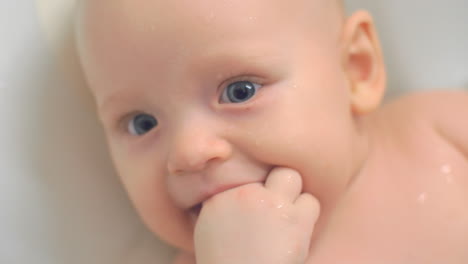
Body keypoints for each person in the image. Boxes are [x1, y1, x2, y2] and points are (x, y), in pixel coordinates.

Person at [74, 0, 468, 263]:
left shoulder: (437, 130)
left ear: (355, 68)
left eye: (239, 91)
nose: (190, 151)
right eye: (142, 123)